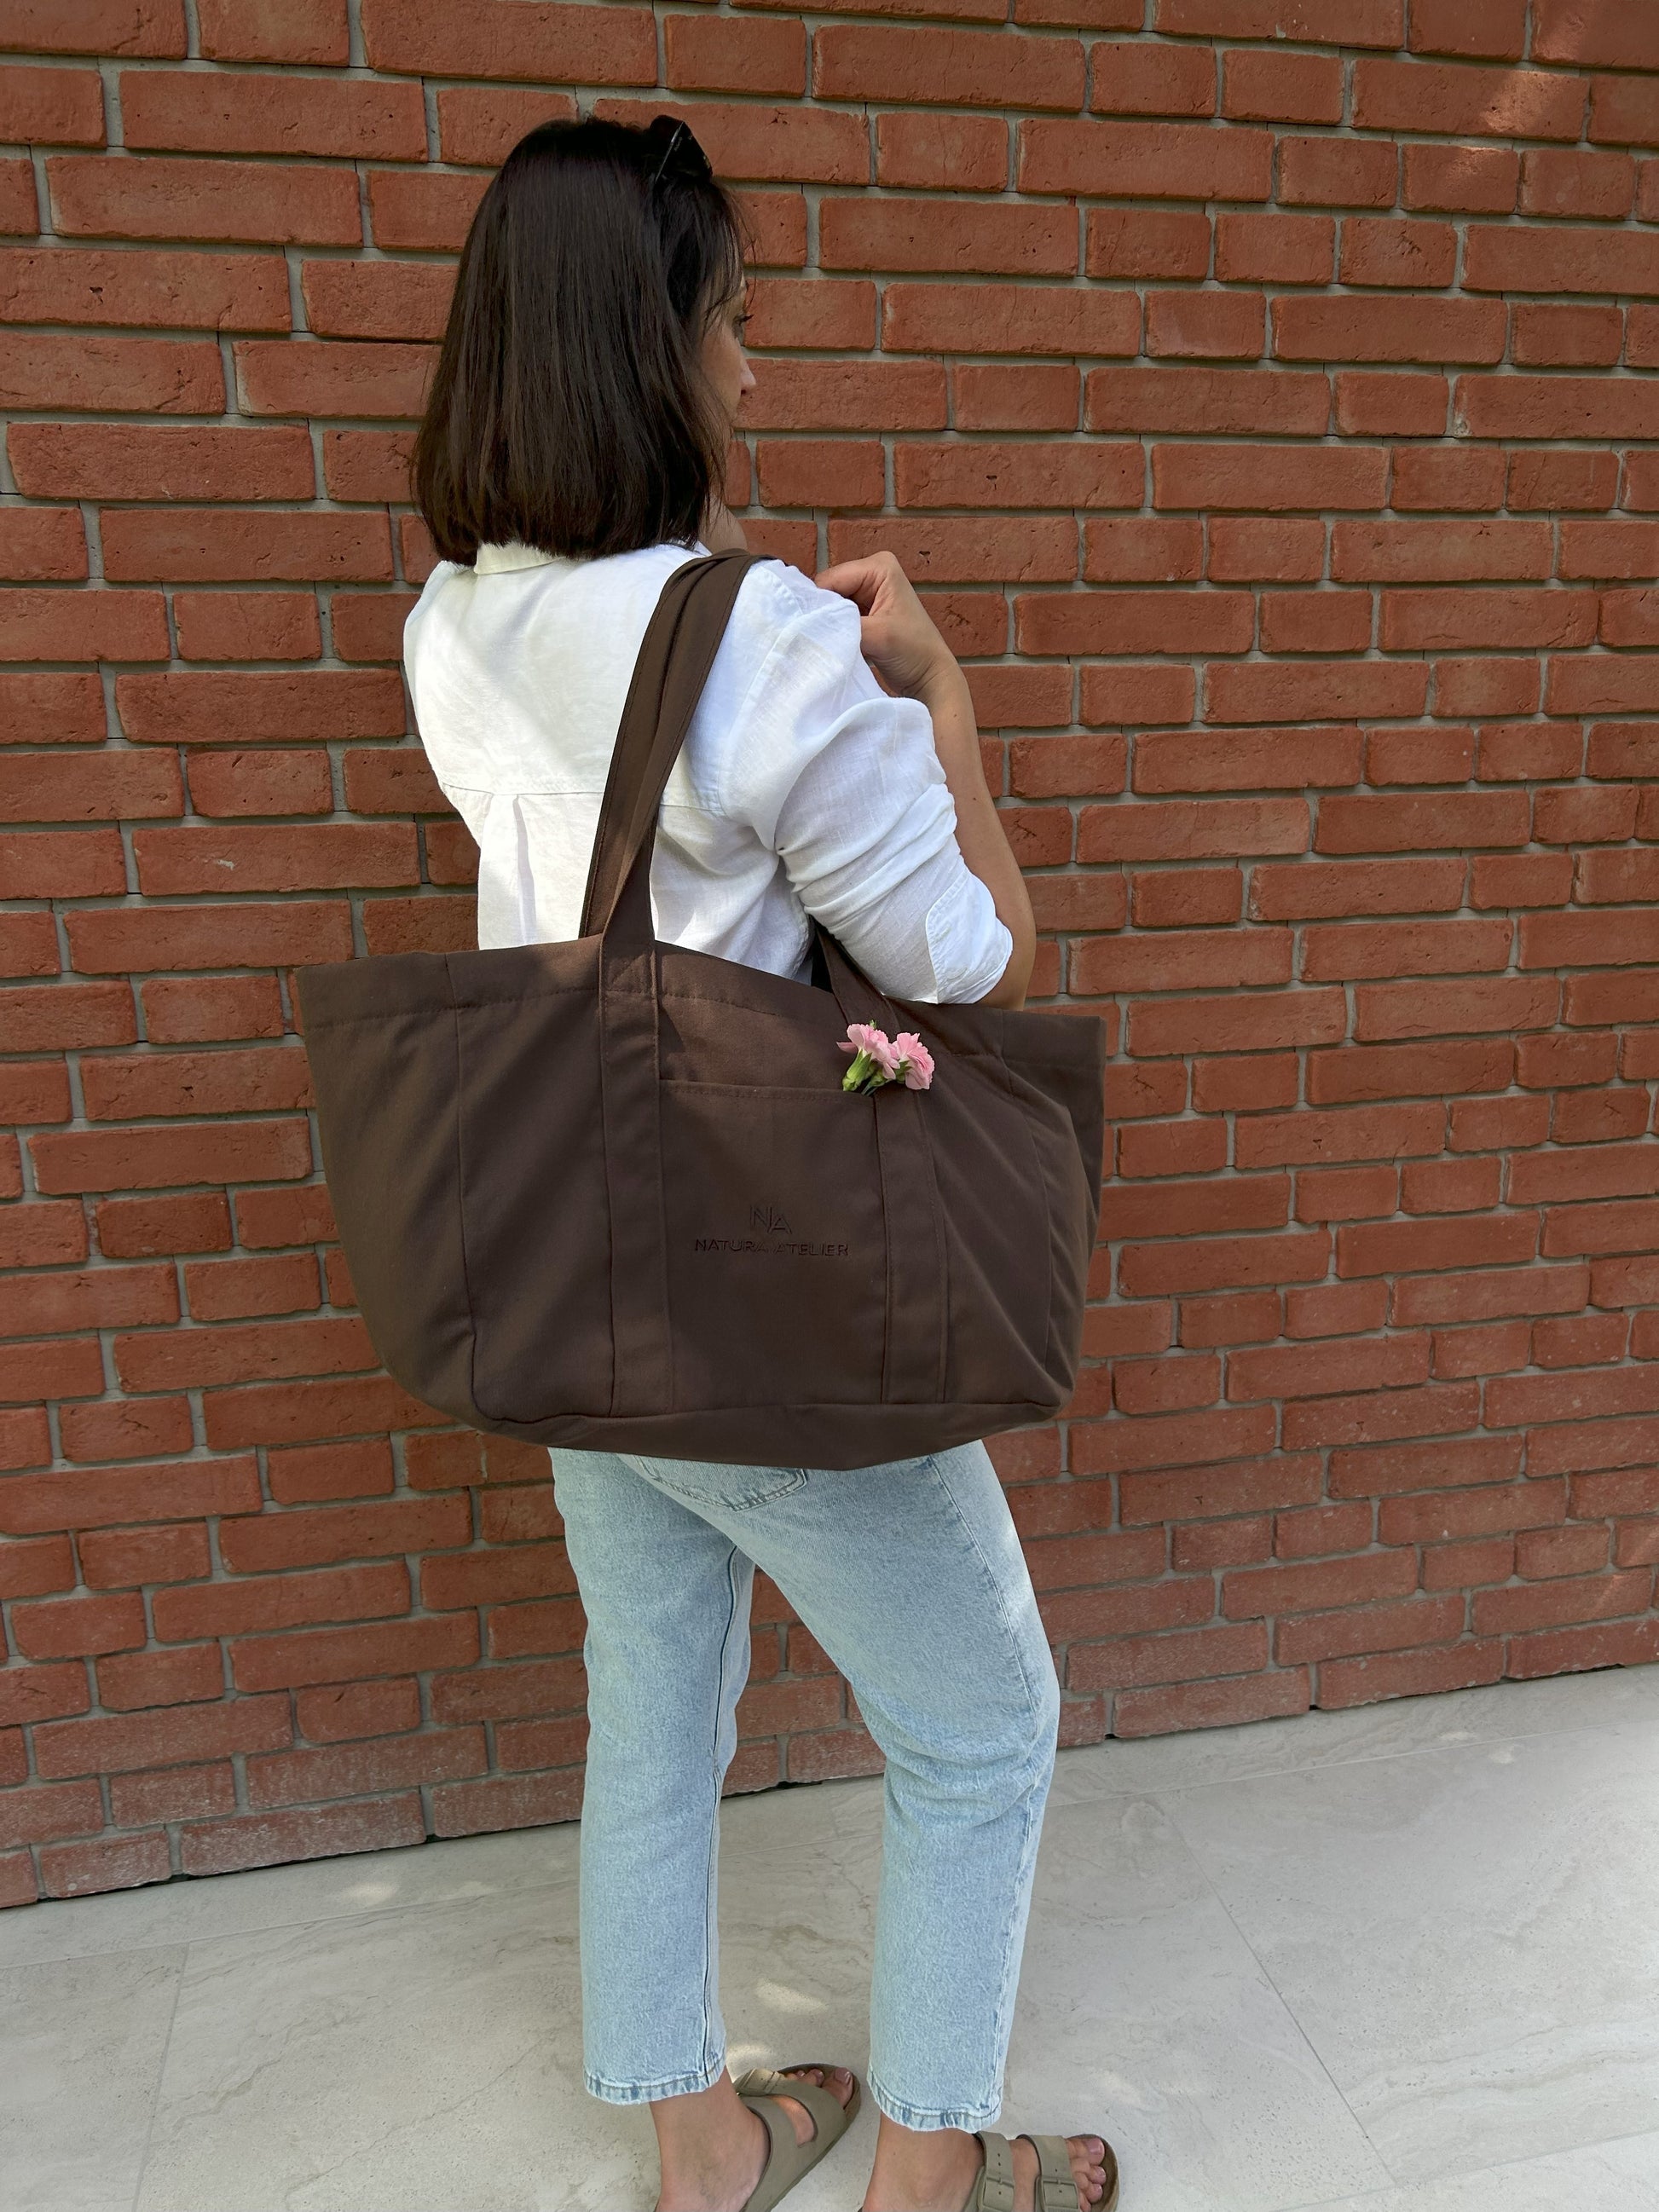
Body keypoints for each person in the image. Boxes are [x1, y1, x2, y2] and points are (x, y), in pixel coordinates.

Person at [403, 113, 1119, 2212]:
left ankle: (697, 2138)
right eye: (734, 324)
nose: (753, 373)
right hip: (768, 1285)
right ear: (648, 349)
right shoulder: (773, 649)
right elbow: (968, 966)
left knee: (656, 1702)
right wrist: (945, 696)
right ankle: (930, 2178)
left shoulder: (450, 624)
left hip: (567, 1281)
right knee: (985, 1723)